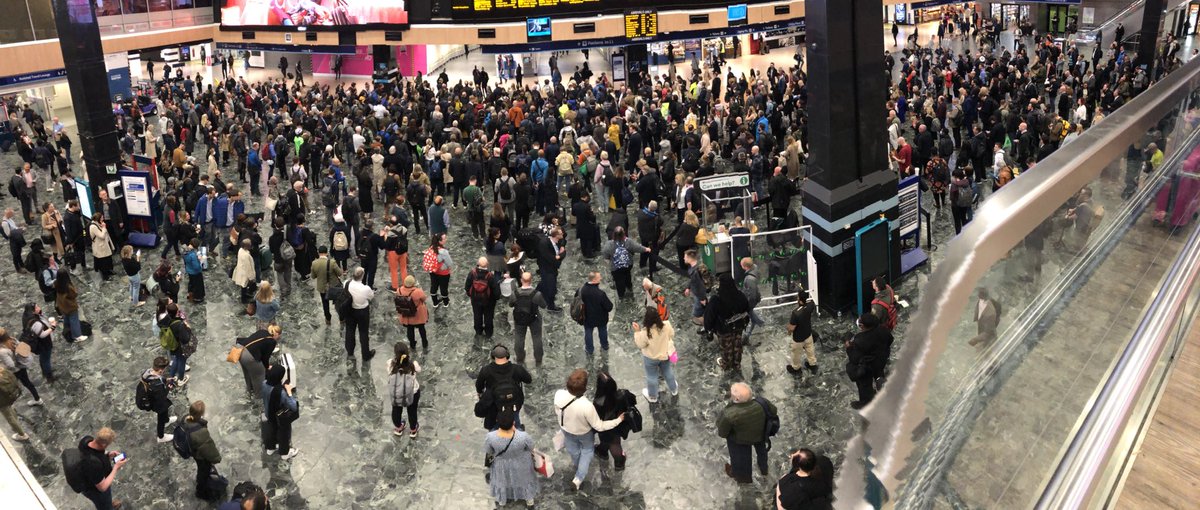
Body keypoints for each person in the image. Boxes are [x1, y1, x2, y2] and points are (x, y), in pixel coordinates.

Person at [554, 368, 625, 490]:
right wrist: (618, 420)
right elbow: (599, 426)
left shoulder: (559, 394)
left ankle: (578, 465)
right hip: (583, 433)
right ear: (584, 388)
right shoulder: (586, 406)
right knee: (587, 451)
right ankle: (579, 477)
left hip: (566, 429)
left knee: (574, 451)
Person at [717, 382, 775, 484]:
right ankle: (764, 469)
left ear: (737, 399)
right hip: (761, 435)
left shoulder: (729, 414)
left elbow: (722, 433)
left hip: (740, 441)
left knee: (741, 461)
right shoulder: (762, 403)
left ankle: (743, 477)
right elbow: (773, 411)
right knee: (762, 453)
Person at [484, 410, 539, 506]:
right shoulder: (523, 436)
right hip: (521, 463)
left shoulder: (490, 437)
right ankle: (529, 500)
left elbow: (489, 451)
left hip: (501, 464)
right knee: (524, 481)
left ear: (497, 421)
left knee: (503, 481)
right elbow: (531, 447)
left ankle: (502, 501)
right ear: (513, 422)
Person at [475, 345, 533, 430]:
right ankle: (518, 434)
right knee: (515, 423)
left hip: (495, 406)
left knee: (493, 426)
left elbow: (479, 386)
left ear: (492, 356)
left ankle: (494, 438)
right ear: (507, 355)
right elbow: (528, 379)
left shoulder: (486, 370)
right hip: (513, 404)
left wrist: (480, 394)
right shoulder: (517, 369)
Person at [71, 427, 128, 509]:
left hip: (87, 475)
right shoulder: (94, 464)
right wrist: (116, 467)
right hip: (95, 490)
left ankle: (107, 504)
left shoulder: (86, 440)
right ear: (104, 444)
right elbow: (102, 487)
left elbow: (96, 452)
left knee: (105, 502)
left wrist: (108, 454)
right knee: (104, 505)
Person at [845, 312, 893, 409]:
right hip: (881, 359)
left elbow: (854, 359)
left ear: (862, 326)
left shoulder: (860, 340)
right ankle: (880, 384)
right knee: (879, 373)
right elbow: (890, 339)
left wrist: (849, 348)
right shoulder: (883, 329)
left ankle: (865, 402)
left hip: (868, 366)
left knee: (864, 385)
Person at [706, 273, 752, 370]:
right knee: (737, 345)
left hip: (724, 329)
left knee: (726, 347)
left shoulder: (716, 299)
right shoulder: (740, 295)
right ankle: (736, 363)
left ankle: (726, 364)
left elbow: (710, 316)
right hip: (739, 326)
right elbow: (747, 309)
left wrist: (708, 328)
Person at [181, 401, 225, 501]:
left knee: (202, 468)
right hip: (200, 456)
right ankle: (200, 491)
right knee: (203, 471)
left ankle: (201, 480)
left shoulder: (185, 419)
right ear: (201, 414)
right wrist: (217, 458)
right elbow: (208, 449)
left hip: (193, 450)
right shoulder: (200, 432)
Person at [633, 304, 677, 402]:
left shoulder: (645, 332)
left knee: (652, 376)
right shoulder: (667, 325)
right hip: (665, 355)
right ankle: (674, 389)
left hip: (650, 358)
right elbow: (672, 335)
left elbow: (640, 345)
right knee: (668, 372)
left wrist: (637, 332)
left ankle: (653, 396)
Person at [509, 271, 547, 365]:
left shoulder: (515, 293)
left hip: (519, 319)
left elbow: (510, 304)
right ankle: (538, 358)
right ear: (531, 281)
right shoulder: (537, 294)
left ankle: (520, 357)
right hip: (534, 318)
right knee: (537, 338)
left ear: (521, 280)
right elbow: (543, 305)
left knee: (519, 337)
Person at [601, 226, 650, 299]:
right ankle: (629, 287)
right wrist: (646, 249)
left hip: (616, 268)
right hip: (627, 265)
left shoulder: (609, 244)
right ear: (623, 234)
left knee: (618, 282)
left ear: (614, 234)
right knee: (627, 275)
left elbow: (605, 255)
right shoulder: (628, 242)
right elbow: (637, 248)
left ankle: (621, 295)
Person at [387, 342, 422, 438]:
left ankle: (398, 427)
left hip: (396, 393)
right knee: (412, 411)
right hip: (412, 393)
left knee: (396, 410)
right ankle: (413, 430)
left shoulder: (390, 363)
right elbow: (419, 370)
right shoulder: (413, 365)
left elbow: (389, 373)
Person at [139, 356, 176, 443]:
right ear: (160, 370)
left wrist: (166, 380)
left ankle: (166, 420)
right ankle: (161, 436)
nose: (163, 371)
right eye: (164, 370)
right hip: (157, 403)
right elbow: (162, 396)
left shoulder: (148, 372)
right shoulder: (156, 385)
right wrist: (168, 387)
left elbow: (158, 378)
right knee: (161, 417)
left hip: (154, 397)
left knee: (165, 411)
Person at [0, 329, 41, 406]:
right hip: (21, 366)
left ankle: (9, 403)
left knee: (11, 386)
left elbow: (11, 365)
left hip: (15, 371)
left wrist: (2, 366)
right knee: (27, 383)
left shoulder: (2, 351)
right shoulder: (12, 340)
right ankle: (37, 398)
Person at [578, 271, 614, 354]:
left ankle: (589, 349)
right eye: (599, 277)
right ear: (594, 280)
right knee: (602, 331)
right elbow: (609, 307)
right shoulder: (600, 294)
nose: (601, 278)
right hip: (600, 318)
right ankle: (604, 346)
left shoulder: (581, 290)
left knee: (588, 332)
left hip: (586, 317)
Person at [236, 326, 279, 395]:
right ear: (276, 334)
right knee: (259, 375)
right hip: (249, 356)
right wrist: (267, 367)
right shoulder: (272, 341)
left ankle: (250, 390)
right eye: (279, 336)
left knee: (247, 373)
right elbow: (265, 358)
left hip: (240, 350)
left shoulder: (262, 331)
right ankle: (258, 396)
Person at [345, 267, 376, 360]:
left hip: (350, 310)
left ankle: (350, 352)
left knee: (350, 330)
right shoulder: (365, 288)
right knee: (363, 333)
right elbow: (371, 297)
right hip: (362, 311)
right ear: (362, 276)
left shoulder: (346, 283)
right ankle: (366, 355)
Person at [464, 257, 500, 337]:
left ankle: (478, 331)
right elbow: (496, 292)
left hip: (475, 299)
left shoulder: (472, 273)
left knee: (477, 315)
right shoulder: (490, 276)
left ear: (478, 264)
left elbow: (467, 287)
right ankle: (488, 332)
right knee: (488, 317)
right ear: (487, 264)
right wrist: (495, 299)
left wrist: (471, 295)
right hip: (488, 301)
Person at [160, 302, 194, 385]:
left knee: (176, 359)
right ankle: (180, 379)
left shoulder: (165, 319)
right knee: (181, 361)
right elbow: (185, 339)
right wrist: (188, 328)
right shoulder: (179, 324)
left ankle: (171, 378)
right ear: (176, 312)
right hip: (179, 347)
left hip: (172, 344)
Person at [21, 303, 56, 381]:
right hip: (43, 343)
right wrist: (52, 327)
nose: (39, 308)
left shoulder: (26, 316)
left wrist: (39, 313)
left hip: (38, 342)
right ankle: (49, 376)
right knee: (46, 358)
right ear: (33, 311)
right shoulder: (35, 322)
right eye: (37, 307)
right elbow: (42, 335)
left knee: (43, 357)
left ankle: (45, 371)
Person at [310, 246, 344, 325]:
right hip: (334, 287)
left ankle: (328, 319)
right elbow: (340, 273)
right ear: (327, 253)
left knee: (325, 304)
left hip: (322, 288)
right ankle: (341, 319)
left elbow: (313, 276)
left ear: (319, 253)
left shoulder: (314, 263)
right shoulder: (332, 262)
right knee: (338, 303)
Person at [787, 289, 818, 374]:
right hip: (808, 335)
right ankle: (812, 365)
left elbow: (791, 328)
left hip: (798, 339)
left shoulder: (795, 313)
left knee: (796, 354)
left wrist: (788, 331)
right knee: (810, 350)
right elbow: (812, 304)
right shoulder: (810, 305)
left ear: (799, 300)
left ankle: (796, 369)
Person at [54, 269, 87, 341]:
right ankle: (77, 335)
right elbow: (74, 294)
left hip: (62, 305)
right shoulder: (68, 287)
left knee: (66, 319)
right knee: (74, 320)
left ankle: (67, 330)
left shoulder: (56, 283)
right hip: (70, 306)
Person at [739, 257, 766, 343]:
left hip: (750, 300)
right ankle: (760, 323)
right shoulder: (755, 267)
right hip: (752, 297)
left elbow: (752, 296)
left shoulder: (749, 279)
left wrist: (748, 306)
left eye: (742, 265)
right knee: (751, 314)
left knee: (750, 312)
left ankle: (749, 333)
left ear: (746, 267)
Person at [424, 233, 453, 308]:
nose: (446, 239)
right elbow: (450, 263)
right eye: (444, 238)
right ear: (440, 241)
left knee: (434, 286)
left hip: (433, 271)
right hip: (443, 273)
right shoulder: (444, 252)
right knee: (443, 288)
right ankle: (446, 303)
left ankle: (435, 303)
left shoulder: (431, 248)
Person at [0, 365, 28, 441]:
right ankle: (16, 423)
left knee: (9, 417)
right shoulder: (4, 371)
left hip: (2, 402)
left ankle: (22, 434)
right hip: (11, 396)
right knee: (10, 409)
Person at [683, 250, 708, 330]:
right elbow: (692, 280)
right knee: (702, 310)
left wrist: (702, 299)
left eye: (685, 257)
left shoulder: (696, 271)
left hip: (700, 296)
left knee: (697, 314)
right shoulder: (693, 267)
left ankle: (707, 326)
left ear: (690, 258)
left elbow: (700, 286)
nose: (683, 258)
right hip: (698, 294)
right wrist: (688, 287)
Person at [89, 212, 116, 280]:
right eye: (101, 218)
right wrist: (104, 227)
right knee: (103, 262)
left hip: (105, 245)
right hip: (100, 247)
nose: (103, 219)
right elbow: (102, 236)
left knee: (108, 259)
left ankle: (109, 270)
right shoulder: (93, 226)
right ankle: (105, 276)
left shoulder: (98, 224)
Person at [2, 208, 26, 273]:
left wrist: (20, 228)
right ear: (8, 214)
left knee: (19, 251)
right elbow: (8, 234)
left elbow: (14, 227)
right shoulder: (5, 223)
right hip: (13, 240)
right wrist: (19, 231)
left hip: (17, 237)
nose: (13, 215)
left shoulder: (10, 220)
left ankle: (22, 264)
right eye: (12, 214)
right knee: (15, 254)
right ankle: (18, 268)